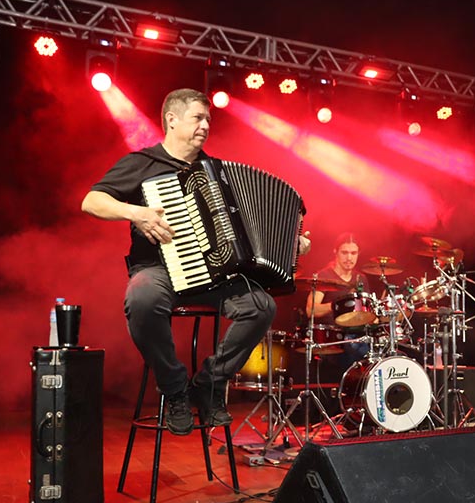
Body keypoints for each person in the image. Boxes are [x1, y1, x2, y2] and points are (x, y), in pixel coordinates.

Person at [82, 88, 310, 435]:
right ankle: (175, 389)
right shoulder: (143, 163)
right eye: (197, 118)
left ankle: (210, 384)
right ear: (171, 120)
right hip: (158, 269)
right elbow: (91, 201)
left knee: (261, 307)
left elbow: (246, 231)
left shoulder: (216, 172)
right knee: (141, 299)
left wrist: (292, 242)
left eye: (208, 119)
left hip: (211, 274)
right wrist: (137, 212)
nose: (205, 125)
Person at [305, 233, 372, 370]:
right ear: (335, 252)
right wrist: (336, 305)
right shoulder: (324, 276)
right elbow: (310, 310)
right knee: (359, 351)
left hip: (356, 334)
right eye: (344, 253)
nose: (349, 258)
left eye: (353, 253)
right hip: (332, 338)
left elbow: (367, 312)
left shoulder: (361, 279)